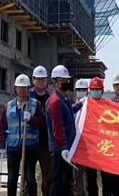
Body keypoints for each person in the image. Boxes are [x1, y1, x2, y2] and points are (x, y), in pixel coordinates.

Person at [0, 74, 45, 196]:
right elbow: (3, 125)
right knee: (12, 178)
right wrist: (1, 143)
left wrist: (32, 120)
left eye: (24, 87)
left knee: (30, 178)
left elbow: (42, 122)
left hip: (29, 147)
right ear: (15, 88)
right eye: (19, 87)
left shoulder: (35, 104)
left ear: (28, 88)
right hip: (13, 147)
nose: (22, 90)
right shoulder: (8, 106)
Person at [85, 77, 119, 196]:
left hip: (105, 147)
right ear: (89, 90)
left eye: (98, 89)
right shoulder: (84, 105)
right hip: (90, 148)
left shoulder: (109, 105)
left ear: (102, 90)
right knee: (91, 179)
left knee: (107, 179)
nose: (95, 92)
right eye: (93, 89)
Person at [45, 65, 76, 196]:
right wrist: (63, 147)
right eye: (62, 80)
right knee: (58, 180)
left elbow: (69, 112)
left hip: (67, 147)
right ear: (54, 82)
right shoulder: (55, 101)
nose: (65, 82)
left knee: (66, 181)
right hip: (60, 149)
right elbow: (57, 127)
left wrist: (81, 104)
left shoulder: (65, 99)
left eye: (67, 80)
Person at [29, 65, 53, 195]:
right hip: (30, 141)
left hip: (46, 141)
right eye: (38, 79)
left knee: (48, 174)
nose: (40, 82)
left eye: (43, 79)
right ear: (33, 80)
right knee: (28, 175)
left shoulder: (51, 97)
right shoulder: (27, 95)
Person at [72, 78, 90, 196]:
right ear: (75, 91)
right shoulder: (71, 107)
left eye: (84, 90)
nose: (81, 92)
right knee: (77, 177)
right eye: (79, 90)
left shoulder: (92, 108)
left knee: (90, 177)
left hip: (89, 148)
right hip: (76, 147)